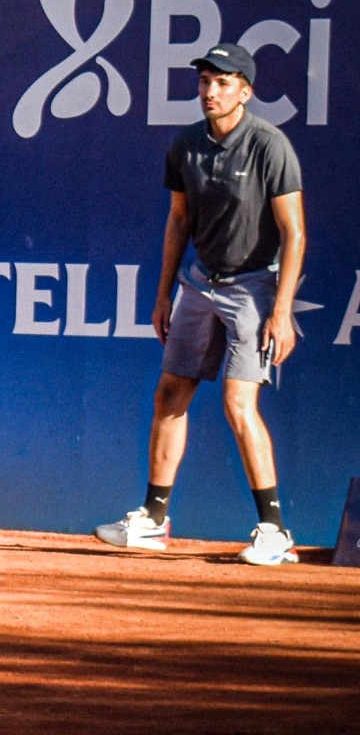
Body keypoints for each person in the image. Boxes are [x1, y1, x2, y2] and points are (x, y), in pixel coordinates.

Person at [94, 43, 307, 567]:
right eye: (205, 82)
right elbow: (178, 221)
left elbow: (294, 233)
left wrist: (282, 311)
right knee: (171, 393)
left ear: (245, 91)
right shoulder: (185, 145)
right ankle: (153, 520)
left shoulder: (269, 145)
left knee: (239, 403)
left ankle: (274, 529)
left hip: (255, 287)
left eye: (222, 83)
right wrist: (165, 292)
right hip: (197, 286)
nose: (210, 92)